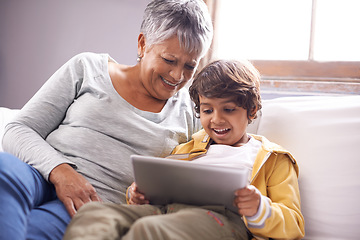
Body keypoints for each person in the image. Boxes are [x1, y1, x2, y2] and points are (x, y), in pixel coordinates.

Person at [0, 0, 213, 239]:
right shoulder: (87, 68)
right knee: (2, 169)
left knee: (33, 230)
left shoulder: (193, 112)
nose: (177, 75)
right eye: (169, 60)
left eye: (190, 66)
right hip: (39, 174)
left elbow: (201, 180)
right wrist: (61, 171)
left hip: (89, 205)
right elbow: (18, 128)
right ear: (143, 44)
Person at [62, 60, 305, 240]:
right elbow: (159, 184)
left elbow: (294, 224)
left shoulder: (273, 159)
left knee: (149, 231)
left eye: (228, 110)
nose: (216, 119)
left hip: (223, 222)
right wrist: (137, 196)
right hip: (165, 210)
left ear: (251, 111)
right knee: (94, 214)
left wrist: (259, 208)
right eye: (208, 110)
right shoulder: (189, 147)